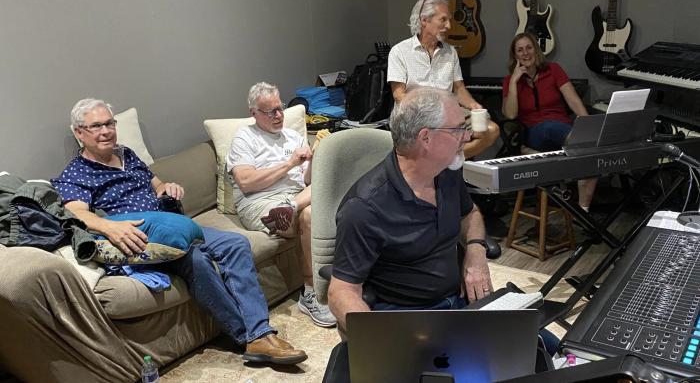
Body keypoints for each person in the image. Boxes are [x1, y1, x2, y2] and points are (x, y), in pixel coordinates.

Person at [51, 98, 307, 365]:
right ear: (79, 132)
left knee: (236, 244)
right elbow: (77, 213)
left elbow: (156, 182)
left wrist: (166, 187)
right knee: (198, 261)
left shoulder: (126, 153)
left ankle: (259, 331)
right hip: (141, 236)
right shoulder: (75, 174)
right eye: (95, 126)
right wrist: (111, 228)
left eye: (109, 123)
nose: (105, 131)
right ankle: (249, 338)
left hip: (171, 225)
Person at [327, 87, 493, 332]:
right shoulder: (364, 208)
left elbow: (470, 214)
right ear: (425, 138)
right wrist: (379, 342)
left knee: (535, 342)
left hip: (461, 303)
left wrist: (476, 252)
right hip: (408, 318)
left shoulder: (446, 171)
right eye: (458, 128)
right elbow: (340, 292)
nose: (467, 137)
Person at [227, 82, 336, 328]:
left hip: (295, 197)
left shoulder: (294, 136)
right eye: (270, 112)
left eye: (280, 108)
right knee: (310, 213)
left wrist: (318, 156)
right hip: (261, 203)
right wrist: (288, 164)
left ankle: (292, 206)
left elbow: (309, 180)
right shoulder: (245, 138)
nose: (278, 115)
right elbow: (245, 183)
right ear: (253, 113)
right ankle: (310, 294)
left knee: (315, 205)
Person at [387, 0, 500, 160]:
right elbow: (399, 96)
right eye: (443, 20)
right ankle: (441, 162)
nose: (449, 26)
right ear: (424, 20)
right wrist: (429, 113)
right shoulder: (399, 52)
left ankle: (447, 161)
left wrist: (473, 104)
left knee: (491, 130)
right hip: (415, 116)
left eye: (449, 20)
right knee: (436, 139)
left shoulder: (450, 52)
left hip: (447, 114)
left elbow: (459, 88)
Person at [502, 32, 596, 211]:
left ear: (536, 50)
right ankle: (566, 145)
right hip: (535, 132)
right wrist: (514, 81)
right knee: (548, 128)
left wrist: (588, 127)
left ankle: (583, 209)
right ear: (515, 56)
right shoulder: (510, 81)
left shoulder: (553, 70)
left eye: (529, 48)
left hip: (562, 128)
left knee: (588, 146)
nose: (525, 53)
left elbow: (574, 100)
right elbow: (511, 114)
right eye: (520, 50)